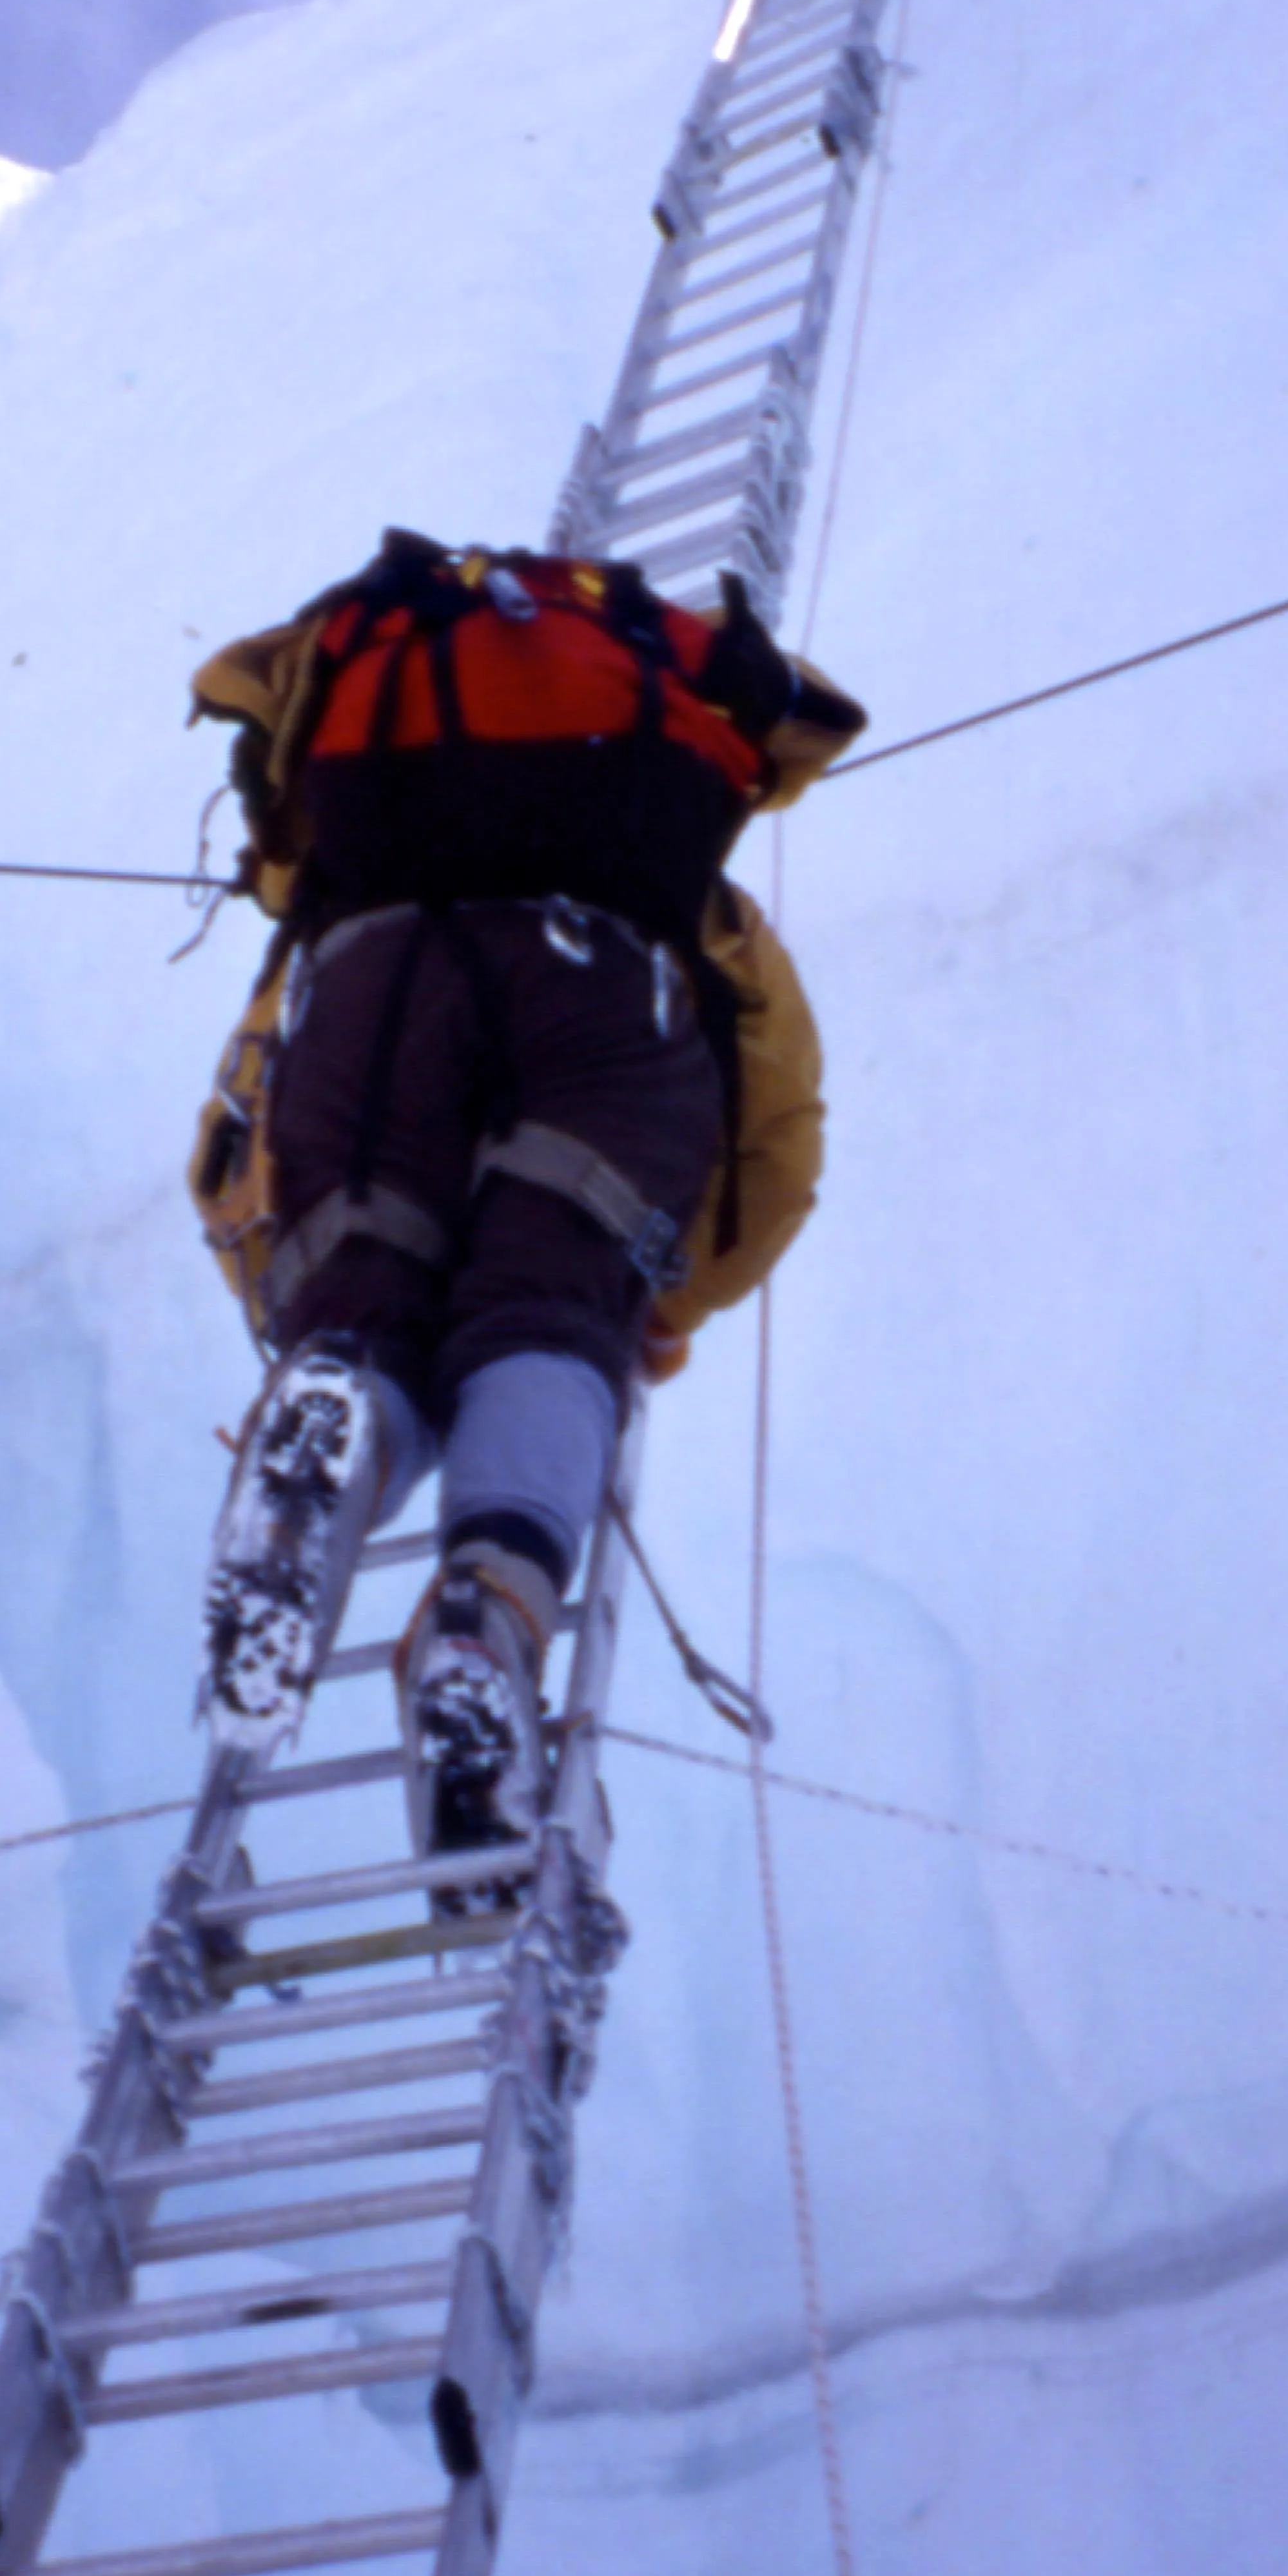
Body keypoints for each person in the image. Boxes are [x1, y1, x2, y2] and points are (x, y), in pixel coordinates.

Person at [187, 527, 863, 1877]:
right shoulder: (691, 892)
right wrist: (654, 1305)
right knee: (547, 1324)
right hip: (602, 995)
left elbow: (245, 1113)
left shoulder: (335, 889)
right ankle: (483, 1620)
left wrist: (293, 1295)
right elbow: (777, 1117)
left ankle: (329, 1430)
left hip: (372, 983)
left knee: (365, 1310)